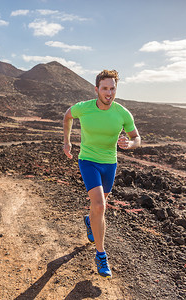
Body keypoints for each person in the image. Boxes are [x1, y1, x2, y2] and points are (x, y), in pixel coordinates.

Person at [63, 69, 141, 278]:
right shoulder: (84, 108)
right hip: (88, 160)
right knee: (99, 205)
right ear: (96, 89)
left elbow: (137, 138)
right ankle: (101, 254)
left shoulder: (122, 113)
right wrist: (67, 141)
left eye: (112, 88)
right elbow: (67, 116)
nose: (109, 92)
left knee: (98, 208)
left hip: (109, 164)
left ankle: (90, 221)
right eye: (105, 88)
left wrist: (130, 143)